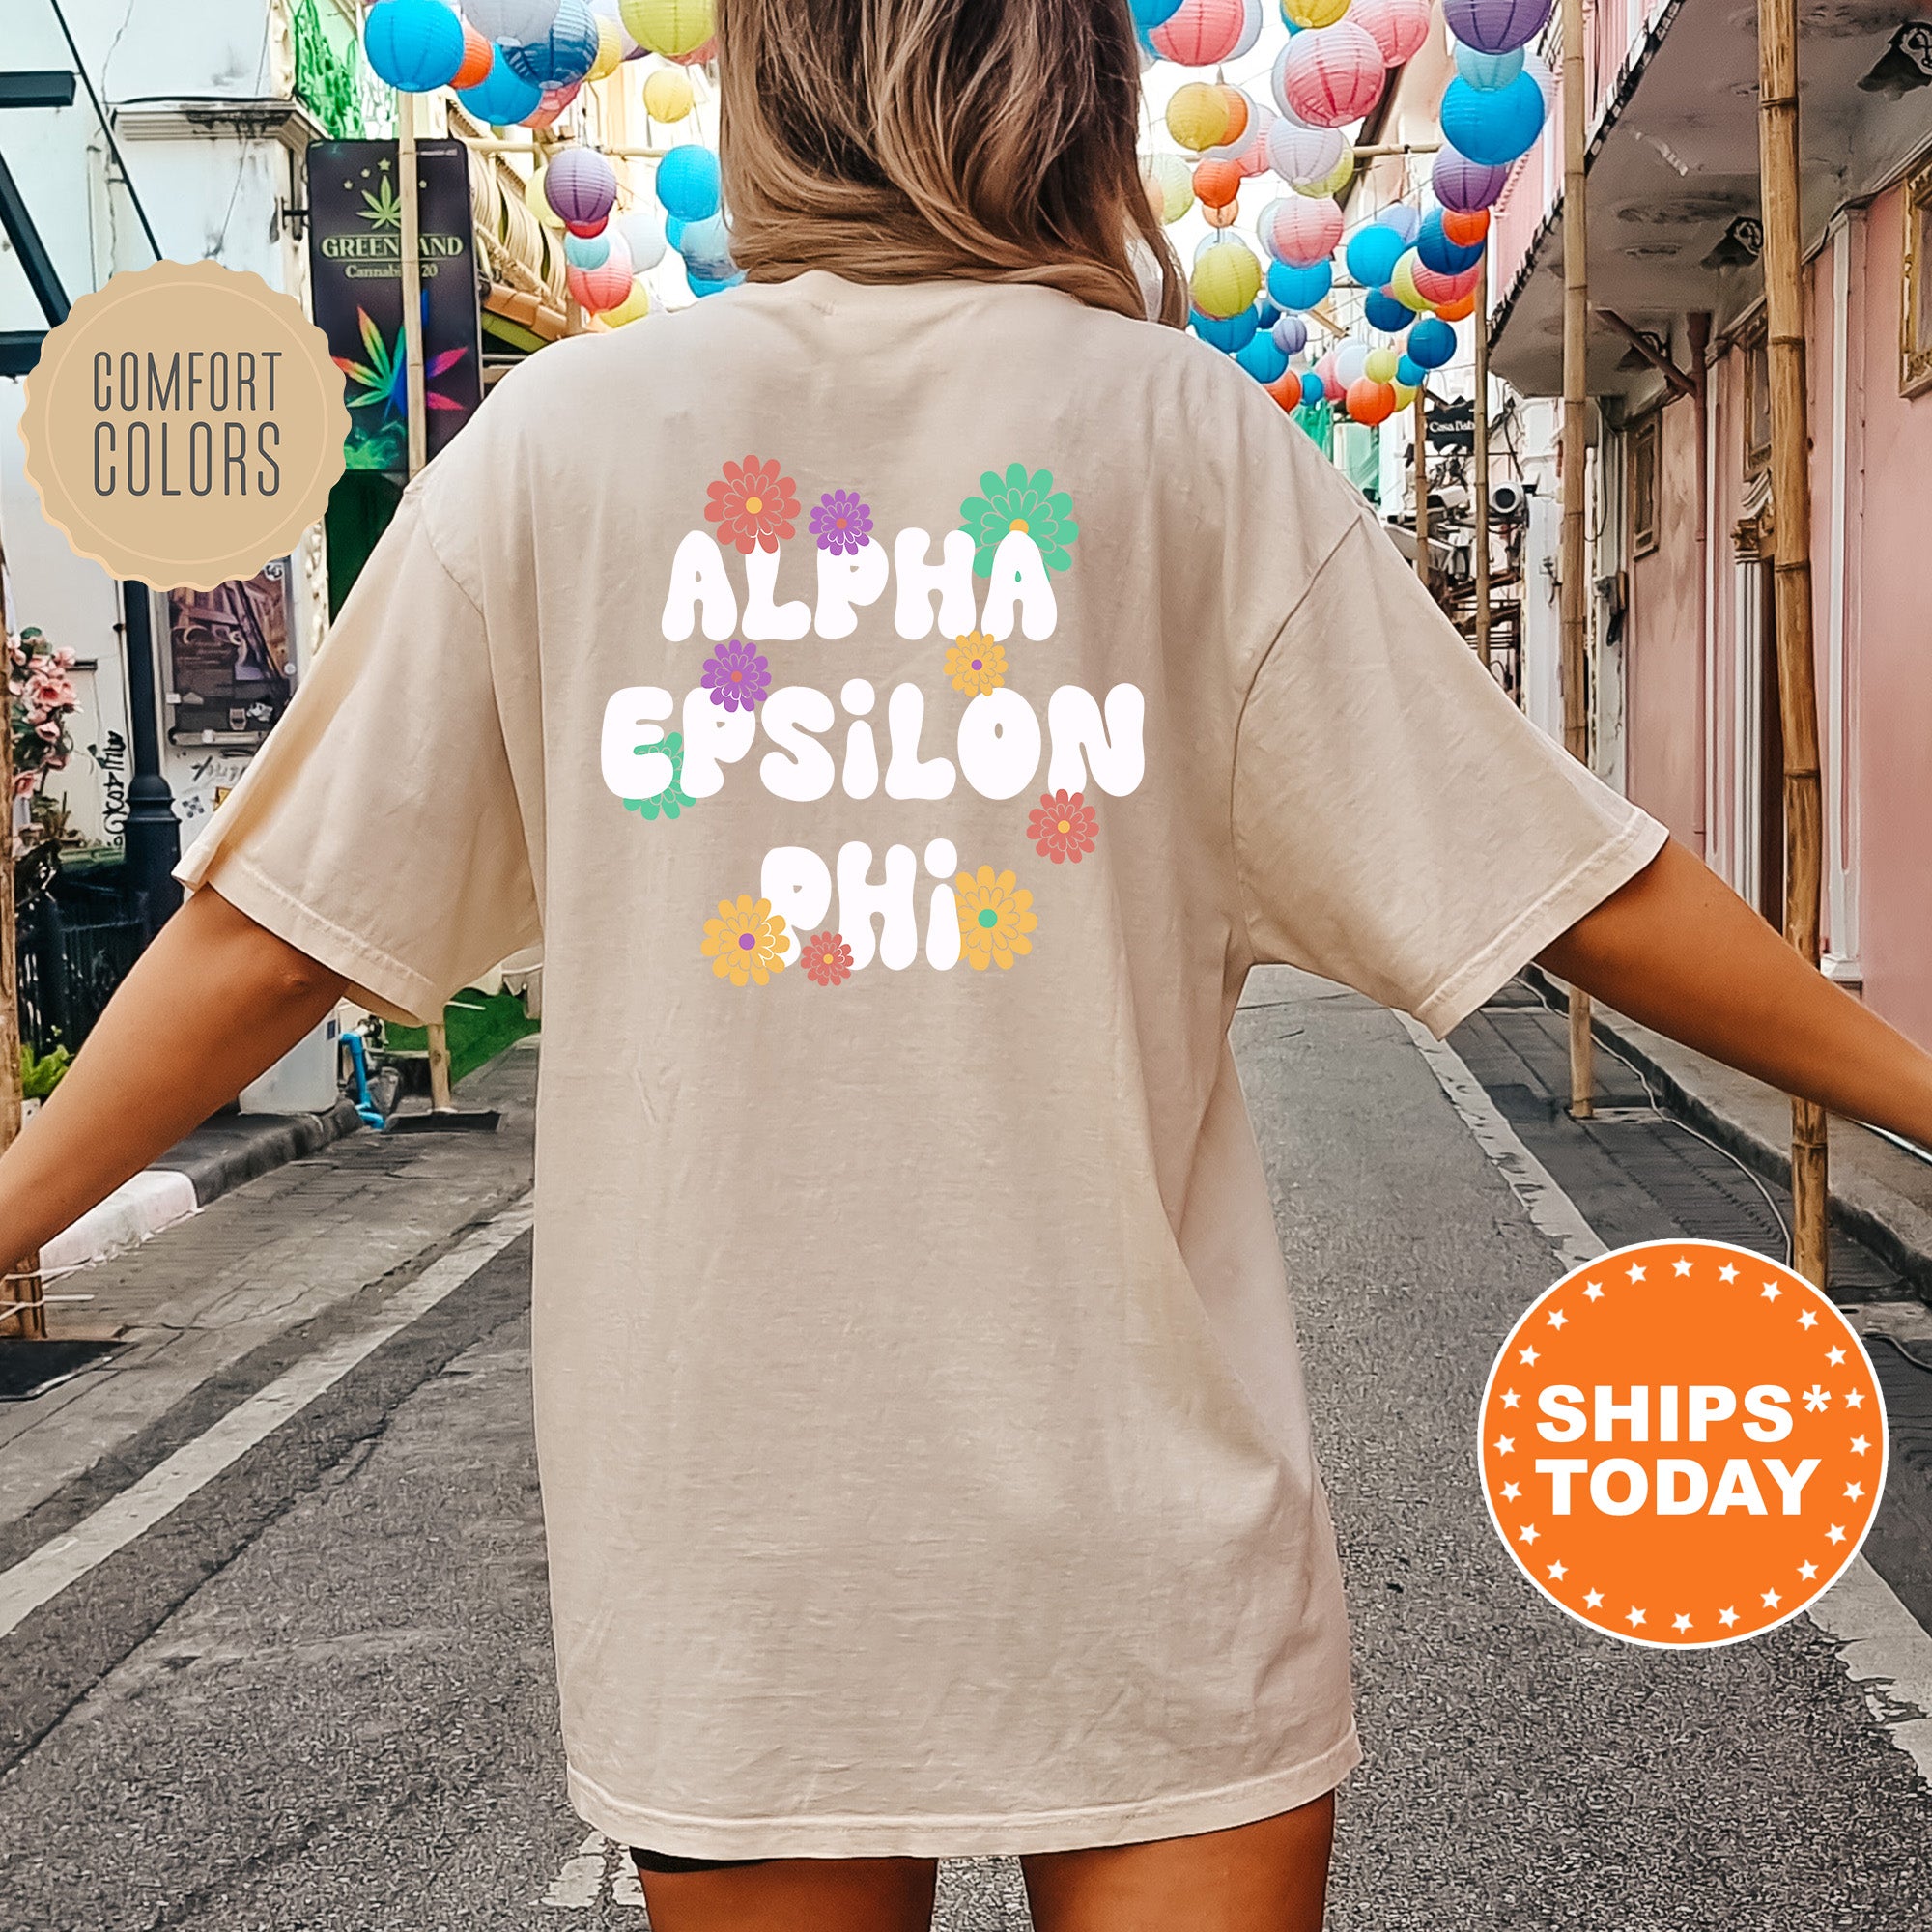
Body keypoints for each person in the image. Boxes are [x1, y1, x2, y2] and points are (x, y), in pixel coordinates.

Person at [2, 3, 1925, 1927]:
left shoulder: (556, 446)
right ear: (1069, 88)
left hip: (738, 1555)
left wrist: (12, 1206)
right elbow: (1572, 884)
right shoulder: (1182, 439)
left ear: (767, 82)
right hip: (1143, 1534)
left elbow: (268, 939)